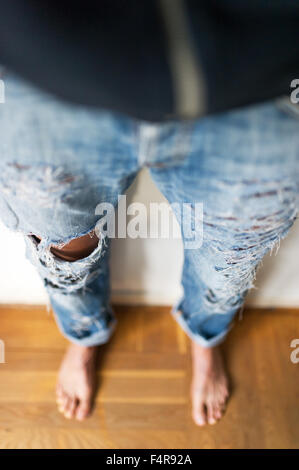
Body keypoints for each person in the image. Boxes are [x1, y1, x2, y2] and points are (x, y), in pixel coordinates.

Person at [0, 70, 298, 425]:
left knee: (227, 259)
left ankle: (204, 338)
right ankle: (85, 333)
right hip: (56, 73)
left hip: (250, 83)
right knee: (62, 251)